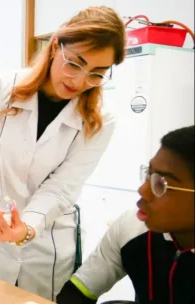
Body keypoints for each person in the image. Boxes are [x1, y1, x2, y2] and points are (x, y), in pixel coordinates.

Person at [0, 6, 126, 300]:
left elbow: (63, 187)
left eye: (96, 74)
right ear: (55, 46)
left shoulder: (100, 119)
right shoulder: (1, 87)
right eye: (74, 64)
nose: (79, 81)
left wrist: (27, 228)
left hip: (46, 242)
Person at [57, 126, 194, 304]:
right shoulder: (133, 227)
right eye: (149, 174)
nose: (143, 190)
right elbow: (76, 293)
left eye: (161, 184)